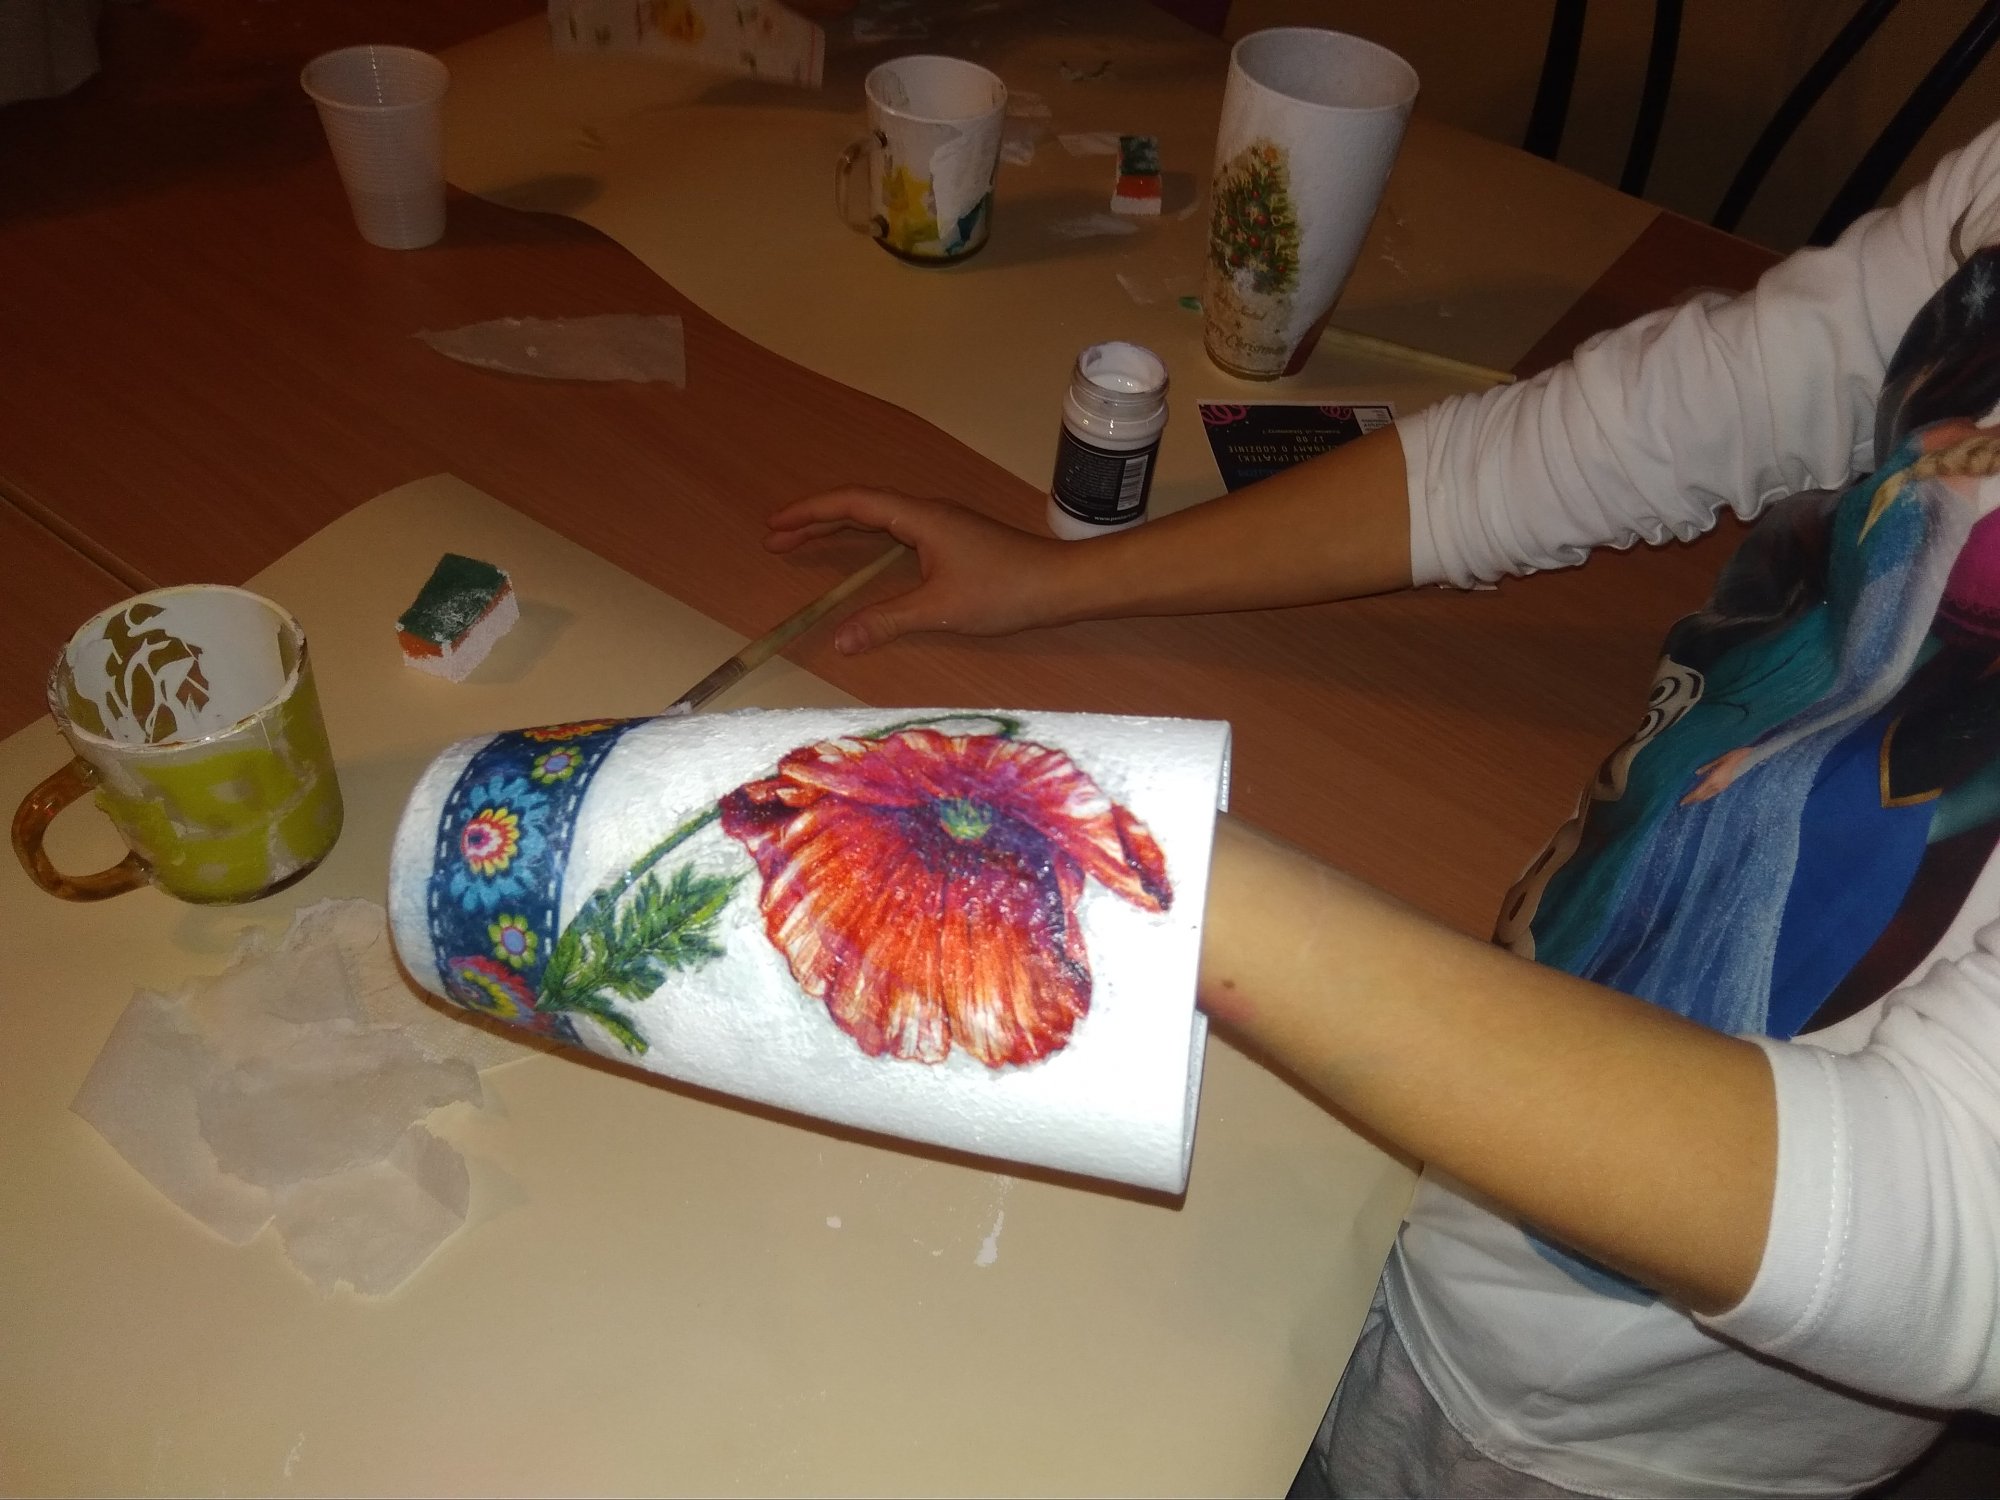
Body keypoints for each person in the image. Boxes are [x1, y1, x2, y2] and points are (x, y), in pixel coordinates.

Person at [764, 120, 2000, 1498]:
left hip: (1590, 1404)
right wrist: (1061, 579)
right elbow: (1669, 414)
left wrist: (1151, 877)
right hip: (1509, 1049)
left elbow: (1945, 1217)